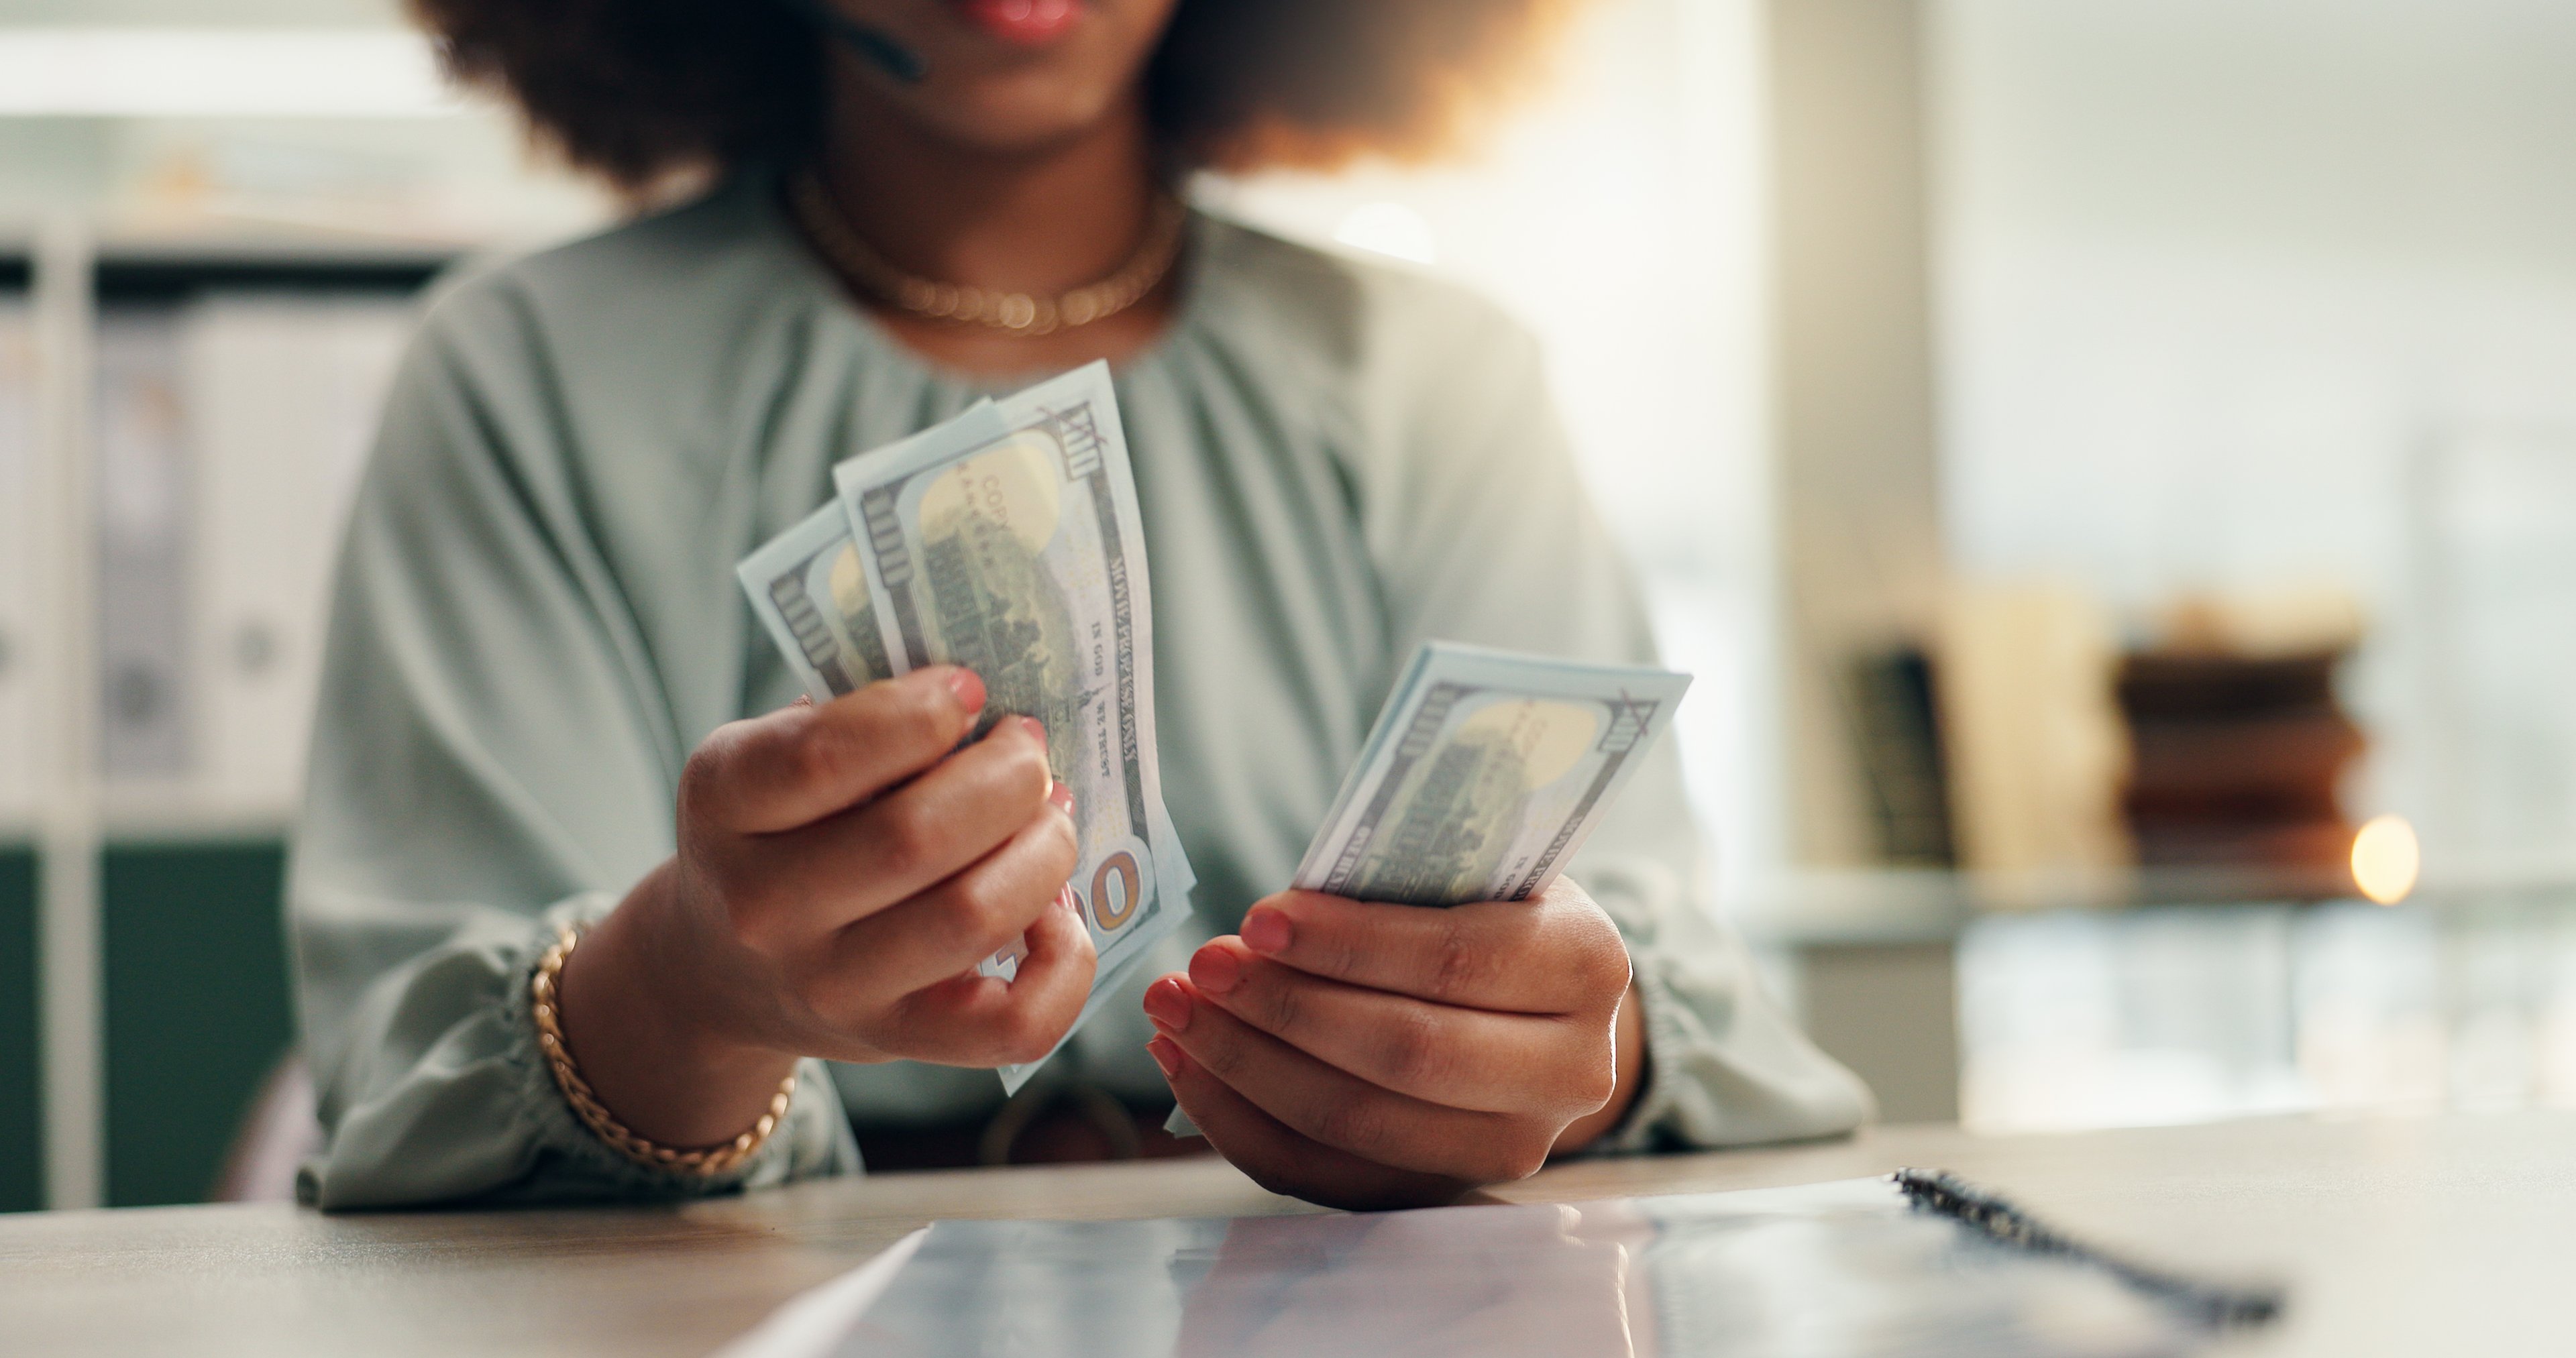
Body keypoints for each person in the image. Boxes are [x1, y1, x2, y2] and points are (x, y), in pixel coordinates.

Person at [289, 0, 1870, 1212]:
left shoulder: (1442, 383)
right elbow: (411, 1077)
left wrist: (1563, 1058)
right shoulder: (520, 378)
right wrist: (684, 993)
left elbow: (1666, 970)